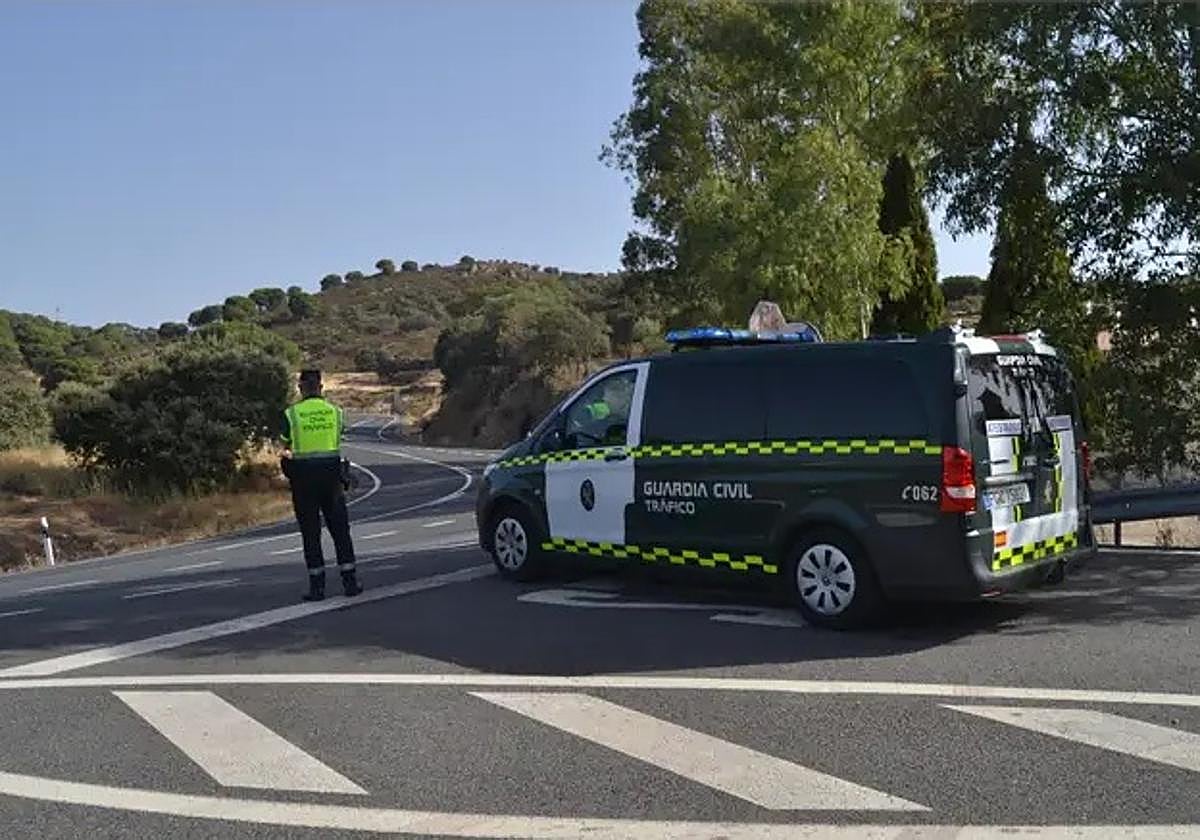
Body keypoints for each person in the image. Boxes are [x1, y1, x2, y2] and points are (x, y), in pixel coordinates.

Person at [280, 369, 361, 601]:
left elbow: (285, 444)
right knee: (340, 531)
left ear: (300, 388)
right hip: (332, 476)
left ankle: (317, 588)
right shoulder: (336, 412)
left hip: (304, 479)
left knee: (310, 533)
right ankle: (350, 582)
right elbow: (339, 435)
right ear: (321, 387)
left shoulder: (291, 414)